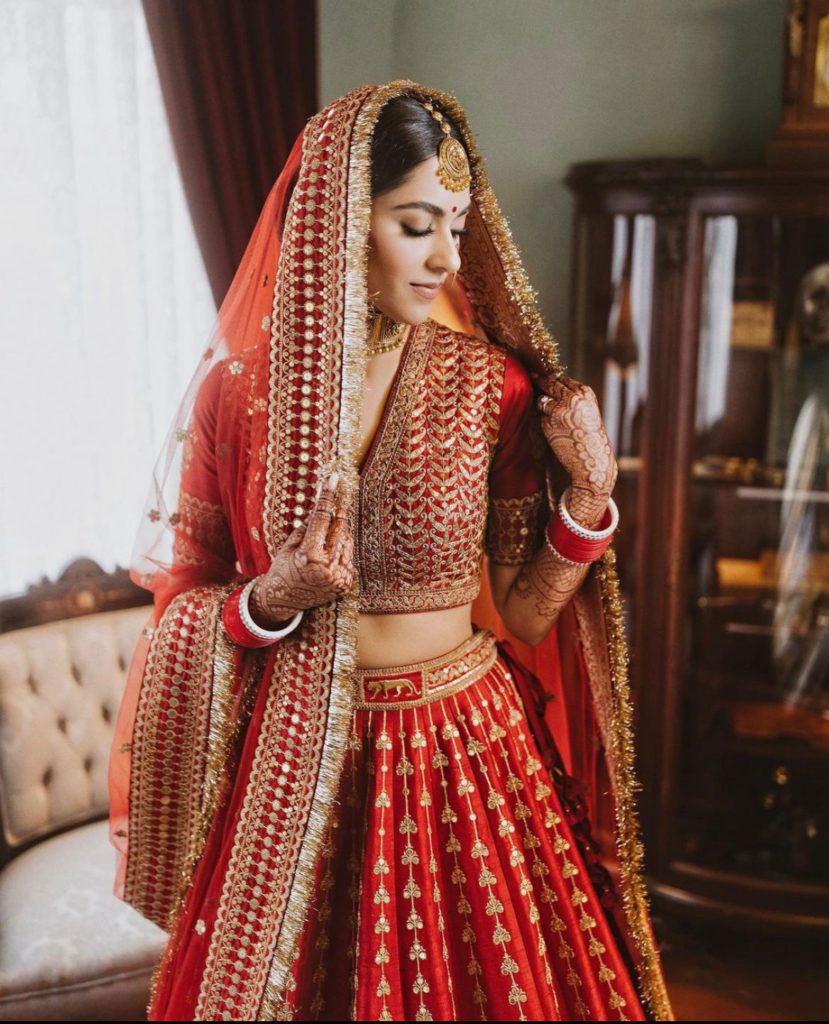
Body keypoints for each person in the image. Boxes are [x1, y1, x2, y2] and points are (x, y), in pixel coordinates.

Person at [108, 81, 674, 1022]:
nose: (449, 257)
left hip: (469, 756)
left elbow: (524, 613)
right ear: (336, 225)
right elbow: (185, 612)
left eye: (455, 224)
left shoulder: (488, 385)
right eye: (417, 225)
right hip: (297, 768)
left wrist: (587, 499)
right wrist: (272, 598)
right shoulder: (238, 398)